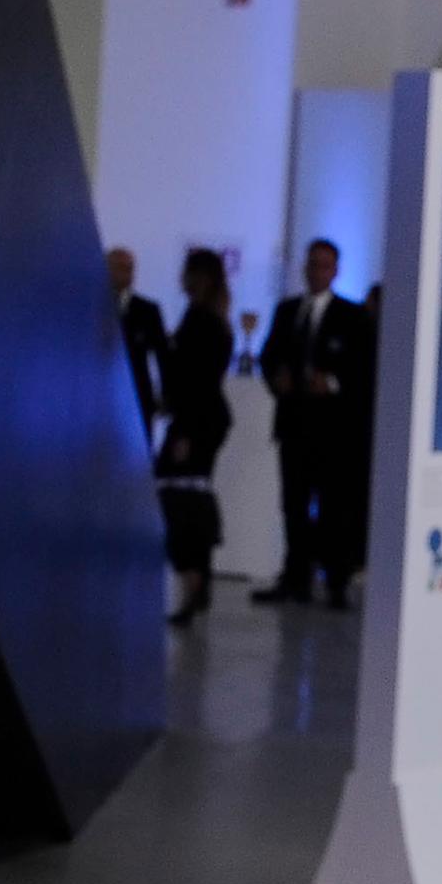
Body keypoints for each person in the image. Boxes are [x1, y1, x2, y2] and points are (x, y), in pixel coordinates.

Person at [254, 239, 367, 607]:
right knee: (294, 504)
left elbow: (363, 369)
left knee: (334, 505)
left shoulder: (351, 316)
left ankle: (336, 579)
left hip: (333, 431)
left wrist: (332, 383)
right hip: (294, 424)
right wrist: (276, 377)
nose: (316, 270)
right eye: (312, 263)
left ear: (335, 271)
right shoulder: (287, 311)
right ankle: (296, 577)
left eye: (324, 265)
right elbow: (269, 354)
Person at [154, 248, 237, 625]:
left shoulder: (202, 322)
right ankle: (196, 580)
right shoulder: (211, 320)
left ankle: (192, 579)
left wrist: (184, 428)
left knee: (181, 499)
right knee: (190, 495)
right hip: (203, 419)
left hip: (195, 421)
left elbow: (196, 380)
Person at [107, 246, 165, 438]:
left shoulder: (148, 310)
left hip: (138, 399)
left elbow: (162, 355)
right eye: (120, 267)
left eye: (130, 268)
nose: (127, 273)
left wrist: (165, 395)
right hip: (99, 399)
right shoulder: (89, 308)